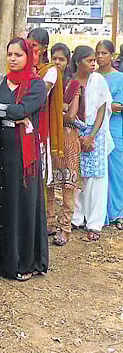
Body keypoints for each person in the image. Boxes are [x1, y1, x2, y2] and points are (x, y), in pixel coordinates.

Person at [0, 37, 48, 281]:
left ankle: (22, 262)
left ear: (28, 57)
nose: (13, 58)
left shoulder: (36, 85)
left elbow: (22, 110)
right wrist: (7, 112)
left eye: (18, 55)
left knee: (20, 203)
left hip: (22, 155)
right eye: (10, 54)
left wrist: (1, 111)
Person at [71, 46, 113, 241]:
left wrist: (91, 136)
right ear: (79, 62)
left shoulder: (98, 80)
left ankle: (95, 224)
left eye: (94, 60)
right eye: (89, 60)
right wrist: (78, 134)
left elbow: (102, 109)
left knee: (96, 179)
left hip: (96, 133)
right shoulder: (70, 80)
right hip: (74, 131)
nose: (94, 64)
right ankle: (76, 218)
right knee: (76, 176)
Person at [27, 28, 65, 236]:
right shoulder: (25, 67)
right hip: (24, 127)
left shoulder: (50, 70)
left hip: (41, 130)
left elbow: (38, 93)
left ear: (43, 49)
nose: (30, 49)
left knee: (41, 175)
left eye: (33, 46)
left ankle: (45, 220)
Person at [49, 43, 83, 246]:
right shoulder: (49, 82)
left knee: (68, 184)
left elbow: (71, 116)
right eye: (54, 58)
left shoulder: (74, 84)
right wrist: (60, 109)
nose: (57, 62)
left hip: (69, 140)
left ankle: (66, 228)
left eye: (61, 59)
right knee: (51, 183)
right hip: (52, 137)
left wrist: (56, 111)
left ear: (68, 61)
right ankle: (50, 223)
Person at [96, 40, 123, 230]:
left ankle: (118, 211)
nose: (99, 57)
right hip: (96, 129)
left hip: (114, 127)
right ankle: (99, 211)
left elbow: (118, 106)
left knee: (116, 169)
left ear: (112, 56)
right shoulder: (92, 77)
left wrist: (108, 107)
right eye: (97, 53)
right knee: (99, 170)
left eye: (104, 53)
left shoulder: (119, 78)